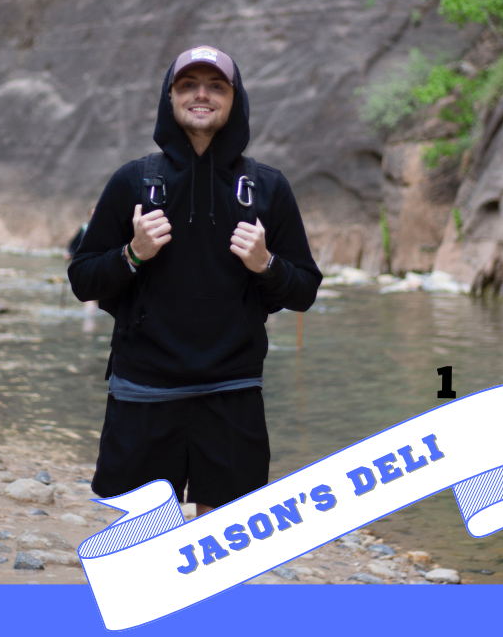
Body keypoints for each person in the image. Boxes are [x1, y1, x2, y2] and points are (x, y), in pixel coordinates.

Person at [69, 46, 322, 517]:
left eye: (215, 86)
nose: (201, 94)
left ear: (234, 98)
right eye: (188, 85)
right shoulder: (132, 182)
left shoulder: (268, 187)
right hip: (142, 392)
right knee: (139, 549)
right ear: (170, 98)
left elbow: (305, 287)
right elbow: (82, 278)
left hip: (233, 392)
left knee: (221, 553)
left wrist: (267, 264)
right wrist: (132, 254)